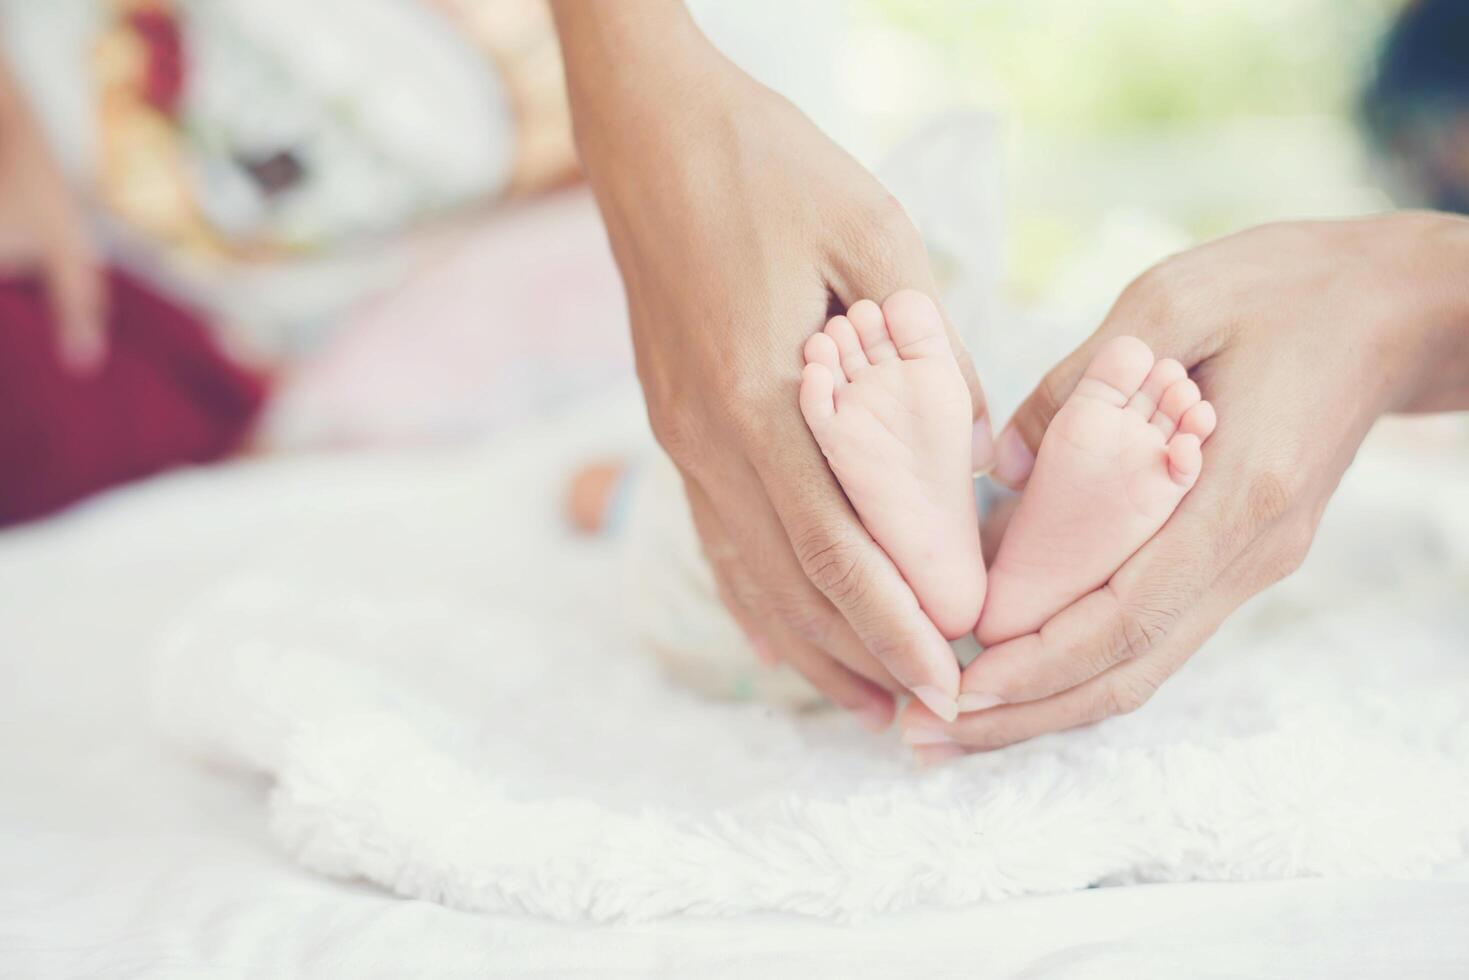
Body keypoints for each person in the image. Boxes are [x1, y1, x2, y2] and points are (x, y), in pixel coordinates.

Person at [547, 0, 1469, 756]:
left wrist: (601, 492)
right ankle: (1012, 554)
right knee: (1043, 421)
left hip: (850, 579)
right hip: (1028, 476)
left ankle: (958, 535)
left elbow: (596, 493)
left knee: (708, 545)